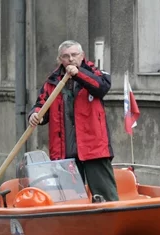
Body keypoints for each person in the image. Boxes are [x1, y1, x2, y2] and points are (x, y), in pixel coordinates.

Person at [28, 40, 119, 202]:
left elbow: (101, 87)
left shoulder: (95, 72)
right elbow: (41, 105)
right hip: (64, 152)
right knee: (68, 200)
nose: (70, 59)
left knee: (105, 197)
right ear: (60, 59)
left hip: (93, 148)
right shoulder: (52, 81)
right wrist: (35, 115)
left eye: (74, 55)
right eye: (66, 56)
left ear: (82, 56)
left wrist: (78, 73)